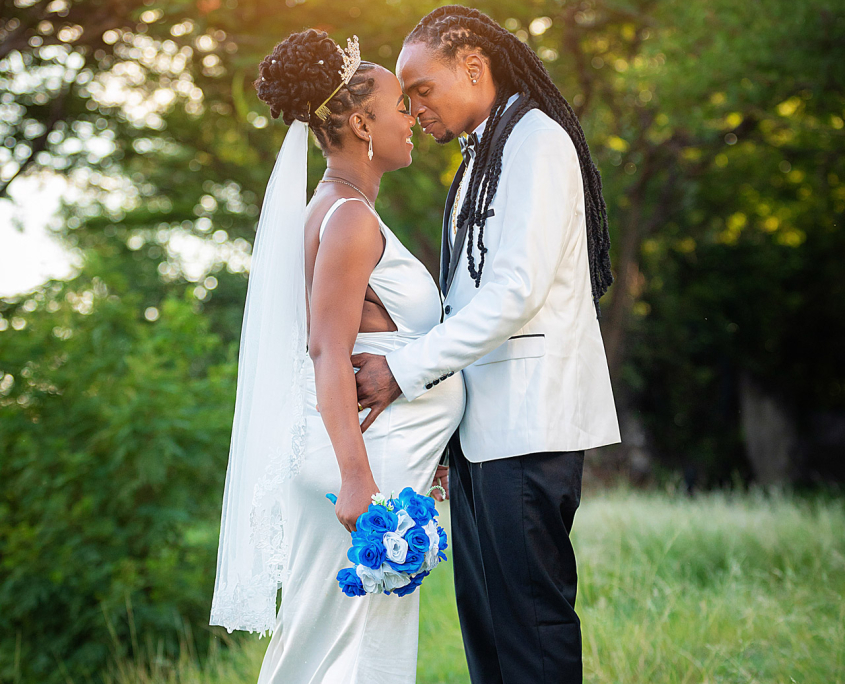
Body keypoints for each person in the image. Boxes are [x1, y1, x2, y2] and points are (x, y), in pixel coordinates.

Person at [353, 7, 621, 683]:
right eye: (406, 98)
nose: (413, 110)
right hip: (486, 437)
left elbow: (513, 292)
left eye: (421, 89)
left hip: (528, 430)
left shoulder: (533, 139)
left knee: (529, 632)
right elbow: (465, 303)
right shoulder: (485, 152)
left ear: (473, 67)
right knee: (489, 633)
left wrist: (403, 370)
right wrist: (447, 433)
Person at [209, 29, 464, 683]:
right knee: (332, 656)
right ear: (359, 122)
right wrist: (356, 479)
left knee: (340, 651)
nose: (411, 118)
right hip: (358, 474)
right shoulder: (346, 217)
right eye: (398, 106)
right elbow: (326, 351)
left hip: (382, 463)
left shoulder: (339, 211)